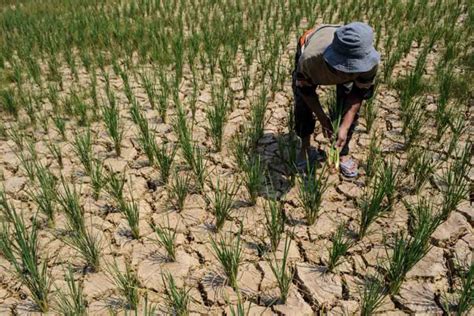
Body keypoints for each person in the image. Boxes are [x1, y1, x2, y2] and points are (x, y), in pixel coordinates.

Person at [292, 22, 380, 177]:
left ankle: (343, 151)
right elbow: (306, 92)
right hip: (313, 43)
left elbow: (358, 93)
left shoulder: (369, 64)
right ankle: (305, 146)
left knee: (348, 107)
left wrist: (345, 126)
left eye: (353, 69)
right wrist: (323, 119)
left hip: (340, 50)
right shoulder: (310, 59)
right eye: (344, 68)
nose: (348, 75)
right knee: (302, 105)